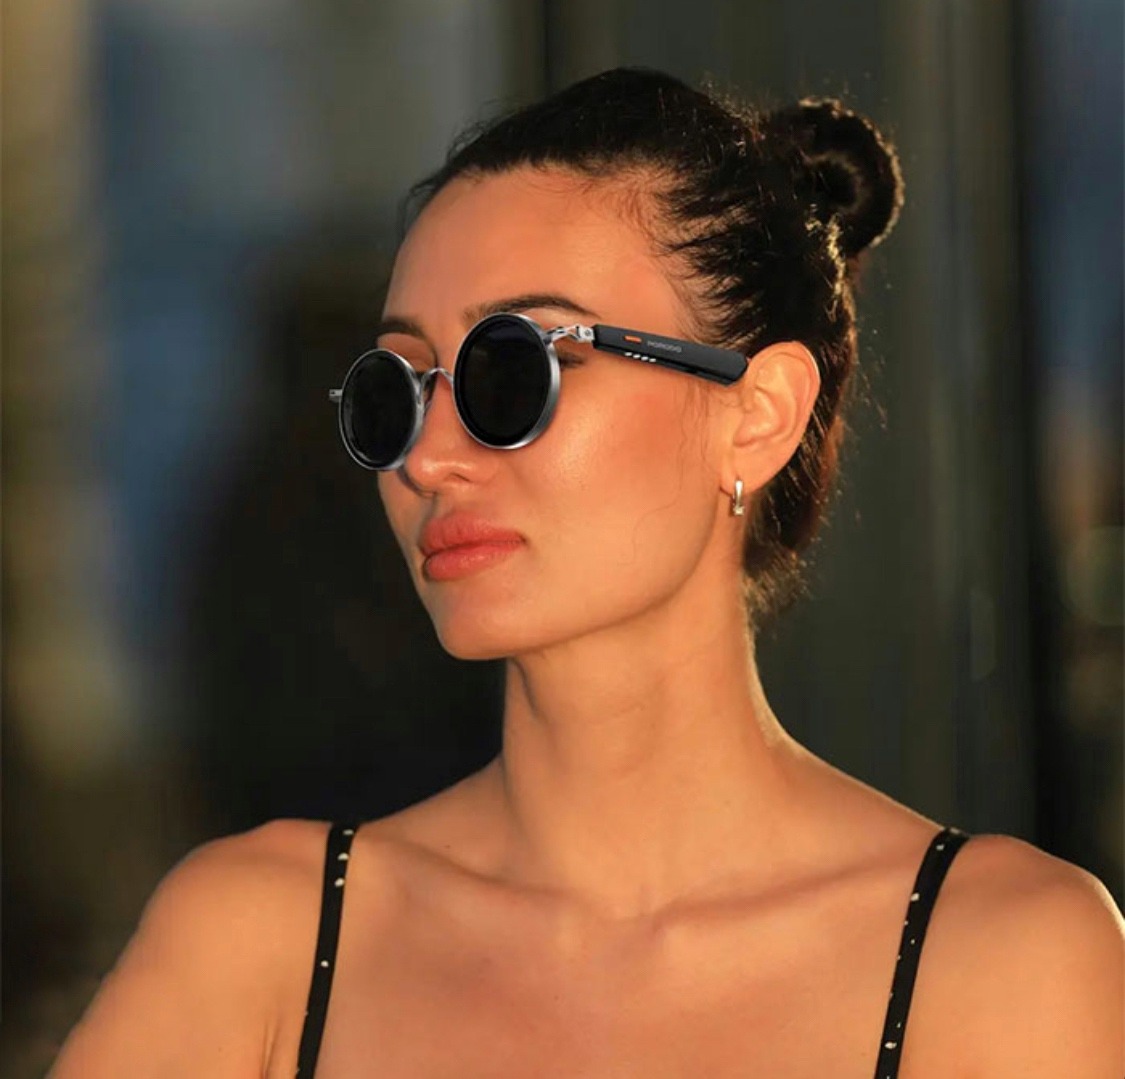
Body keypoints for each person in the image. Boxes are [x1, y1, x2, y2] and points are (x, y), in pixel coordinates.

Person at [51, 67, 1123, 1078]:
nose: (428, 456)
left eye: (514, 371)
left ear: (758, 416)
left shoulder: (1000, 957)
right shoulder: (264, 939)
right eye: (396, 391)